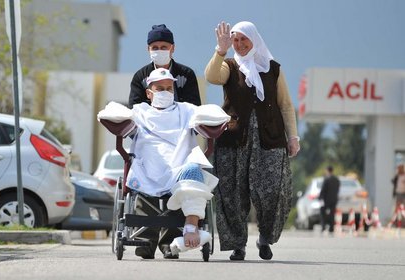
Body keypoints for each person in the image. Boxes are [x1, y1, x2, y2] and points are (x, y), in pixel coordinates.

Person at [98, 68, 229, 259]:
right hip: (147, 165)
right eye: (159, 88)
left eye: (169, 88)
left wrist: (217, 119)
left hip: (180, 166)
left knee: (194, 169)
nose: (165, 92)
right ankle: (145, 241)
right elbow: (114, 113)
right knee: (143, 186)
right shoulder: (139, 111)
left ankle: (187, 230)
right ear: (148, 93)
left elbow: (209, 113)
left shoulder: (186, 110)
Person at [204, 21, 300, 261]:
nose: (239, 44)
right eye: (235, 40)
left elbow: (286, 105)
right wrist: (220, 50)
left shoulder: (273, 68)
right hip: (234, 141)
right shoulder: (229, 66)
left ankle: (265, 238)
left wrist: (293, 137)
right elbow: (212, 77)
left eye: (243, 39)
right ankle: (238, 244)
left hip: (270, 140)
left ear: (254, 40)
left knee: (272, 192)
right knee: (233, 194)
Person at [128, 24, 201, 108]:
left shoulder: (186, 75)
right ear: (148, 49)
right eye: (155, 48)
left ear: (172, 48)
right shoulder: (141, 77)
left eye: (164, 47)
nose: (159, 50)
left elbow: (194, 108)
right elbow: (134, 109)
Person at [319, 166, 340, 233]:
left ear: (327, 170)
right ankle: (331, 228)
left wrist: (320, 198)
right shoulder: (336, 180)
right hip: (334, 200)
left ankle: (323, 227)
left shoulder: (326, 179)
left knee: (323, 213)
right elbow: (337, 189)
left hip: (326, 200)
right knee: (332, 214)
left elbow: (323, 190)